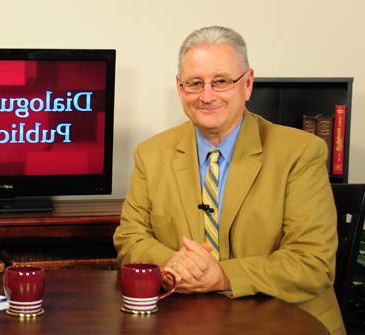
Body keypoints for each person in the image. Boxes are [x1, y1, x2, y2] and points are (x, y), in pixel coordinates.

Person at [113, 26, 345, 334]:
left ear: (247, 84)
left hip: (287, 321)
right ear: (180, 88)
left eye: (221, 81)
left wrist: (222, 275)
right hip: (187, 322)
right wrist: (181, 266)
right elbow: (130, 239)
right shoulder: (151, 154)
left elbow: (313, 262)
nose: (207, 96)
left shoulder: (301, 153)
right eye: (195, 83)